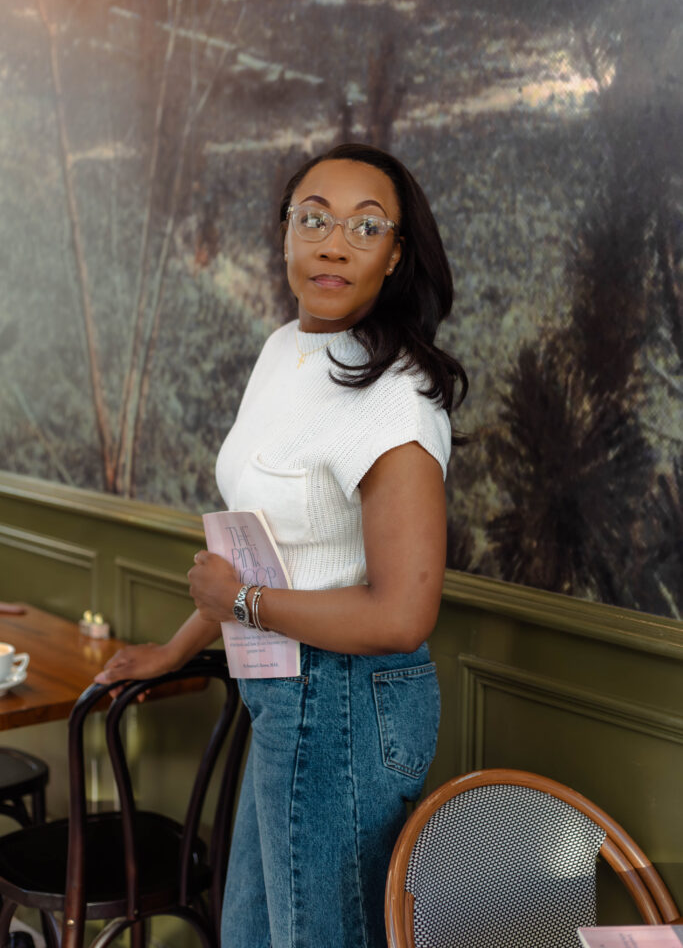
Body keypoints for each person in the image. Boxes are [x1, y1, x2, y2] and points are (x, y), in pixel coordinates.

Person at [95, 143, 468, 948]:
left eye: (365, 227)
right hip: (287, 694)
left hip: (344, 702)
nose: (333, 243)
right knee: (257, 936)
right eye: (314, 218)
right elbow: (271, 550)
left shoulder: (394, 397)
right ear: (286, 233)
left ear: (396, 254)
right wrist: (176, 646)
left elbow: (402, 614)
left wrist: (239, 605)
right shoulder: (284, 352)